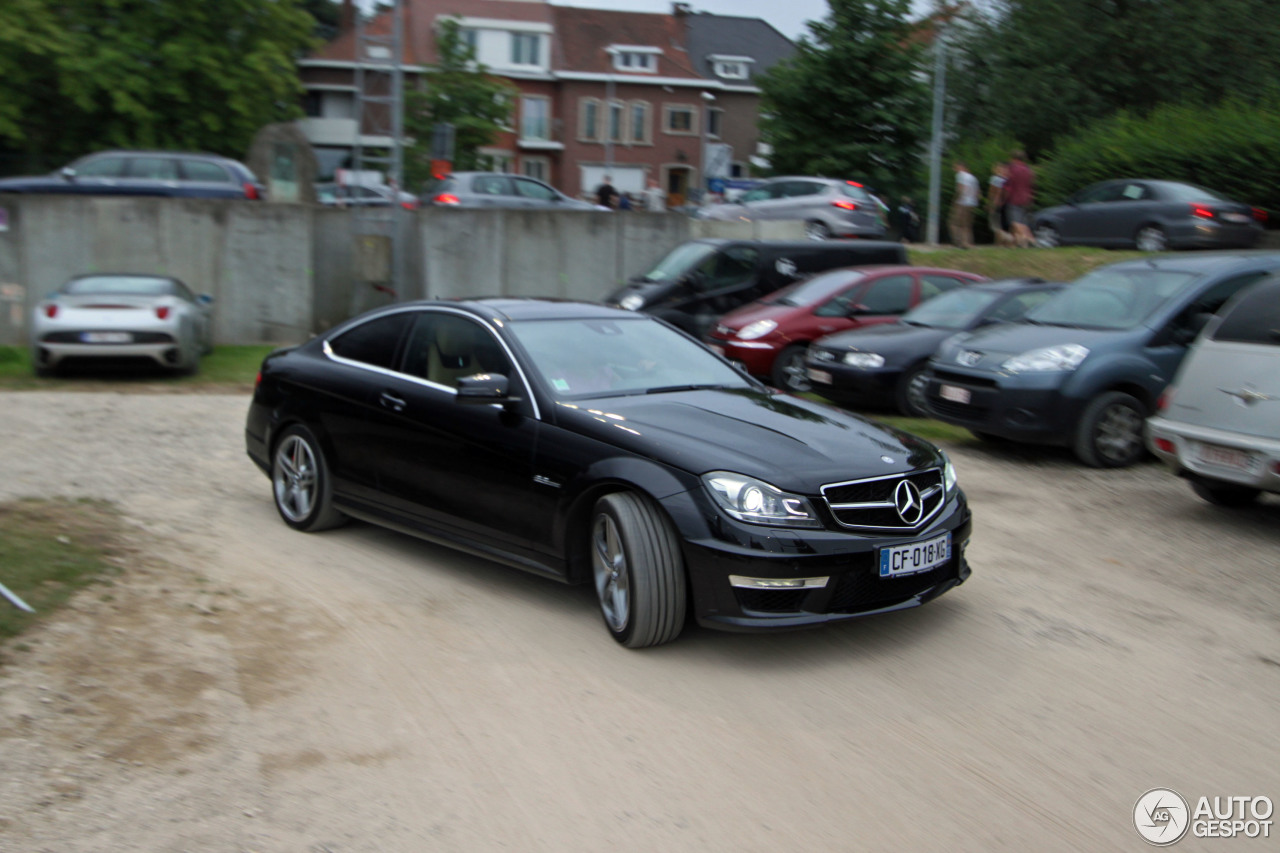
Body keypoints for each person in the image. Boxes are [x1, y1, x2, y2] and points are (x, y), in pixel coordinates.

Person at [1004, 150, 1036, 247]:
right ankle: (1020, 243)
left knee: (1016, 223)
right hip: (1027, 199)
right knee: (1023, 222)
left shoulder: (1012, 169)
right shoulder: (1029, 170)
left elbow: (1008, 186)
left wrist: (1003, 198)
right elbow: (1032, 185)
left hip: (1014, 198)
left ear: (1014, 159)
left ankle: (1030, 239)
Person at [949, 160, 979, 249]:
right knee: (967, 225)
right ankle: (968, 242)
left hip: (962, 202)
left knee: (954, 222)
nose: (954, 169)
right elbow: (977, 192)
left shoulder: (960, 175)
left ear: (961, 167)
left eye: (956, 167)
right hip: (972, 203)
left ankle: (958, 242)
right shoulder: (973, 178)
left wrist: (955, 201)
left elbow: (960, 189)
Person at [987, 162, 1013, 246]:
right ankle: (1006, 243)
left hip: (996, 203)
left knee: (995, 225)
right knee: (1004, 224)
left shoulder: (994, 179)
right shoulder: (1007, 180)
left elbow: (992, 192)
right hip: (1007, 203)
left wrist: (990, 203)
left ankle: (999, 243)